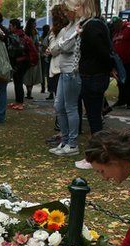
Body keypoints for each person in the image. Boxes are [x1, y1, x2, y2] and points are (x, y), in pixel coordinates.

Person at [75, 0, 113, 169]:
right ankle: (96, 155)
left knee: (94, 118)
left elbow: (103, 53)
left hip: (94, 77)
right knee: (93, 117)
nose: (75, 10)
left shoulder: (93, 26)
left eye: (77, 6)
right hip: (93, 76)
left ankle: (96, 156)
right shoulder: (93, 26)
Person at [50, 0, 82, 156]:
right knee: (60, 106)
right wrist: (60, 44)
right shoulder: (68, 28)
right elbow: (55, 48)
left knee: (70, 107)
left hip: (71, 71)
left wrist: (60, 44)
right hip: (64, 71)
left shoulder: (77, 27)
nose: (64, 14)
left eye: (66, 11)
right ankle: (65, 140)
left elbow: (64, 47)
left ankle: (72, 143)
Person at [7, 18, 37, 109]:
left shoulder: (19, 36)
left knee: (18, 81)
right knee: (17, 81)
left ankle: (20, 102)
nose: (9, 27)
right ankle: (18, 101)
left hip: (21, 62)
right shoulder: (22, 36)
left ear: (15, 26)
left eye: (11, 26)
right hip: (23, 61)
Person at [46, 6, 70, 101]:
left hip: (60, 68)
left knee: (62, 103)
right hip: (61, 68)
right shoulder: (65, 29)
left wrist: (51, 37)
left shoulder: (62, 31)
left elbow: (54, 49)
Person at [23, 18, 43, 100]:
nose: (36, 25)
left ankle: (28, 91)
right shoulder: (35, 33)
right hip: (34, 55)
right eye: (35, 23)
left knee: (28, 74)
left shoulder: (25, 33)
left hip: (27, 56)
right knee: (32, 74)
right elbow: (37, 44)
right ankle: (29, 91)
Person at [40, 24, 52, 94]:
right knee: (48, 74)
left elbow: (43, 47)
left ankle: (43, 88)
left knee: (44, 73)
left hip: (43, 57)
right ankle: (50, 91)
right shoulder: (49, 37)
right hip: (47, 57)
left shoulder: (42, 37)